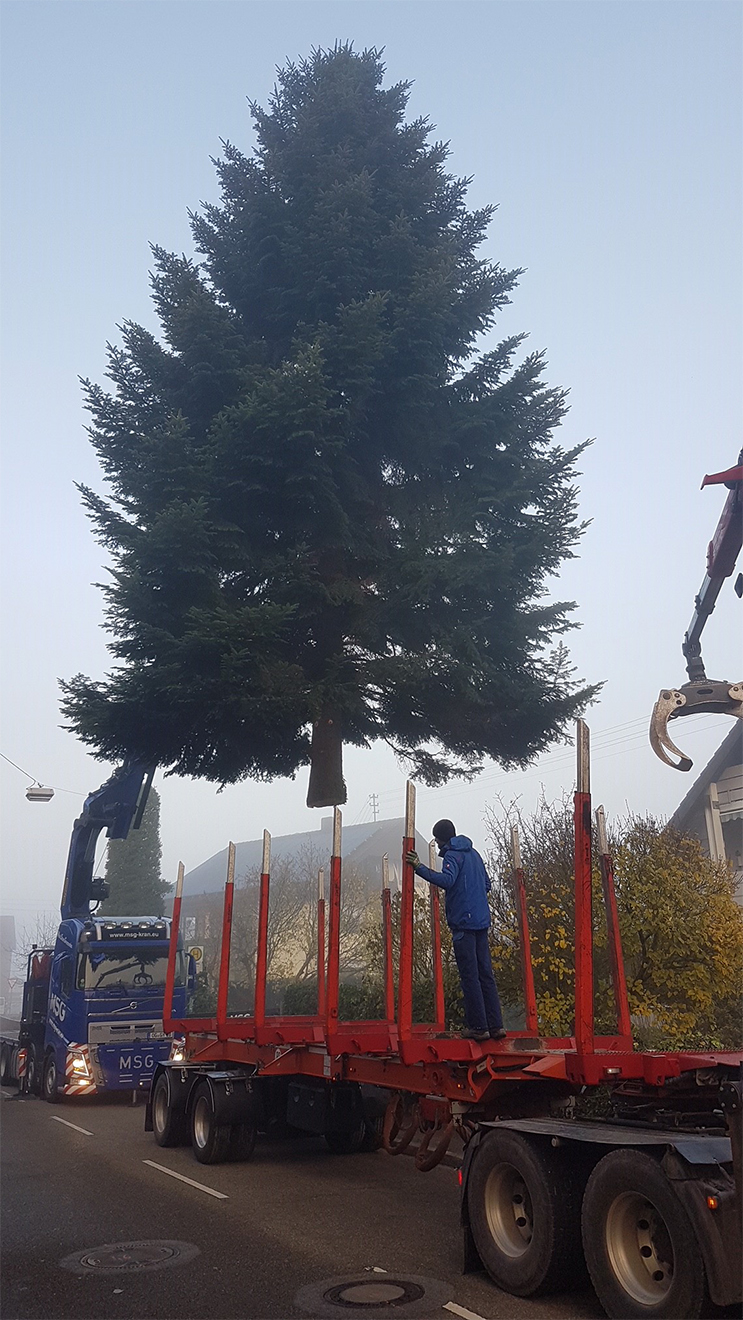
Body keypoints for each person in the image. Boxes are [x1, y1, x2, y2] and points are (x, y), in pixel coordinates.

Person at [406, 819, 506, 1043]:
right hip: (481, 921)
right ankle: (496, 1026)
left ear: (442, 839)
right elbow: (487, 885)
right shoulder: (474, 854)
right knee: (486, 975)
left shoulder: (453, 855)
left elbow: (448, 880)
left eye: (437, 840)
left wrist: (419, 868)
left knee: (469, 976)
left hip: (463, 923)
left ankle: (479, 1027)